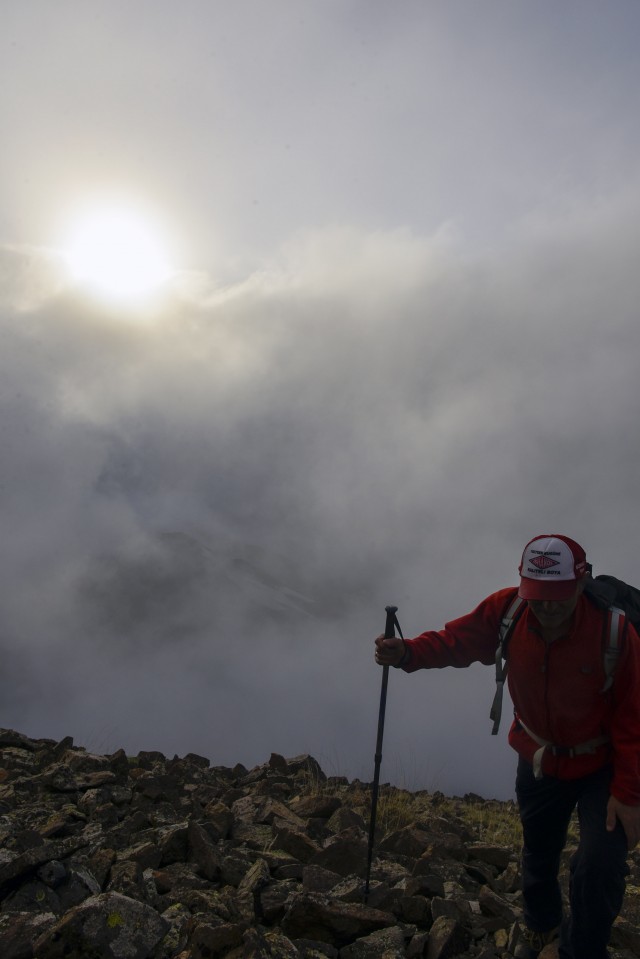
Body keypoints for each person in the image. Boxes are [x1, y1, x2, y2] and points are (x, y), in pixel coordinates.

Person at [374, 534, 640, 959]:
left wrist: (629, 794)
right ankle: (540, 926)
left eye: (557, 596)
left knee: (601, 864)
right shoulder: (508, 610)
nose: (547, 607)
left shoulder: (614, 631)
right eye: (538, 596)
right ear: (523, 585)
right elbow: (457, 641)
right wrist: (408, 653)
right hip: (539, 756)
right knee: (539, 848)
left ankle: (578, 951)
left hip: (602, 762)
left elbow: (634, 714)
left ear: (580, 582)